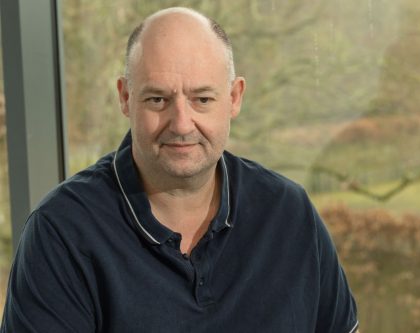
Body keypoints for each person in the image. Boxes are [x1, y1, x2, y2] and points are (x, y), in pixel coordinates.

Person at [1, 7, 358, 333]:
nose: (182, 124)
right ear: (125, 98)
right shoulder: (62, 231)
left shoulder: (289, 213)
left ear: (234, 98)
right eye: (158, 99)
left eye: (202, 99)